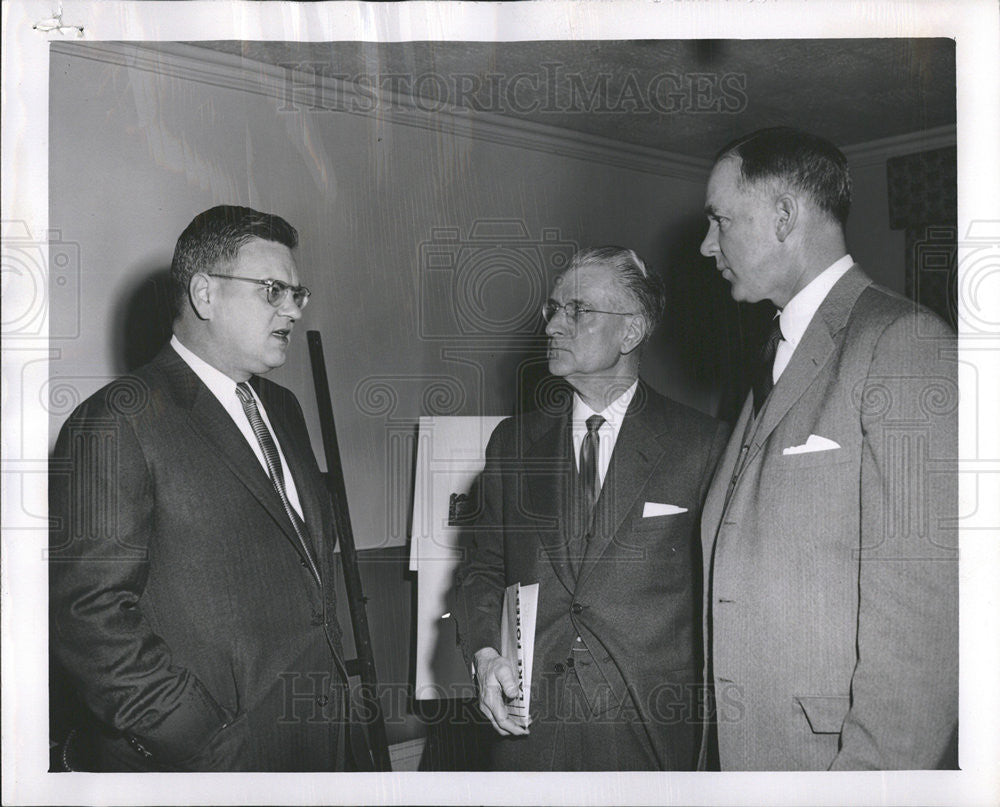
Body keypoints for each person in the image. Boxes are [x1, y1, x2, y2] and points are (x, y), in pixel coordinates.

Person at [49, 205, 360, 771]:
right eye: (272, 291)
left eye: (297, 293)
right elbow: (88, 613)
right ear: (204, 294)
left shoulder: (283, 409)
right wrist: (197, 738)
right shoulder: (118, 418)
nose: (292, 309)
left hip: (314, 736)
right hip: (210, 758)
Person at [698, 127, 958, 770]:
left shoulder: (903, 343)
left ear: (784, 215)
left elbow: (924, 622)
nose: (708, 245)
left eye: (720, 220)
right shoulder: (772, 357)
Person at [454, 247, 729, 770]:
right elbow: (482, 569)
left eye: (577, 311)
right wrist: (485, 655)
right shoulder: (513, 443)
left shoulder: (702, 445)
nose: (554, 325)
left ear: (631, 332)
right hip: (527, 734)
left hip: (650, 735)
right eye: (552, 310)